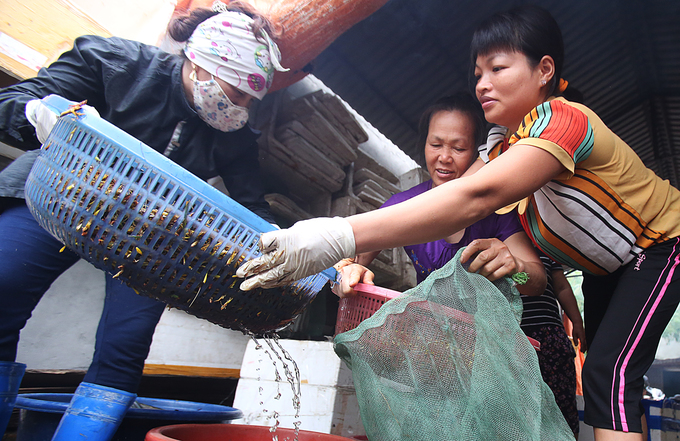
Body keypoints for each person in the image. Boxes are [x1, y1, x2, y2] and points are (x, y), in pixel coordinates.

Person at [237, 5, 680, 440]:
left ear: (544, 69)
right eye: (478, 73)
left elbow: (475, 197)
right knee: (614, 380)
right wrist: (349, 252)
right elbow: (446, 200)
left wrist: (336, 234)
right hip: (612, 267)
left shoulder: (564, 120)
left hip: (661, 242)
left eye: (497, 68)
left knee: (610, 372)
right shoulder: (503, 146)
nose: (482, 84)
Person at [0, 1, 286, 438]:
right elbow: (13, 100)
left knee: (125, 345)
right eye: (237, 90)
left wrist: (286, 247)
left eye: (252, 98)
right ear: (200, 63)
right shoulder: (112, 63)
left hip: (148, 240)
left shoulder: (234, 135)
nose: (242, 106)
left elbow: (253, 209)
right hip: (57, 197)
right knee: (3, 290)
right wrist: (40, 115)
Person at [333, 92, 546, 299]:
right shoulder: (404, 204)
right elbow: (351, 256)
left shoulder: (497, 210)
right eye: (435, 145)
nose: (444, 157)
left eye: (459, 148)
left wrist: (516, 266)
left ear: (477, 152)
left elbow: (537, 281)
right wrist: (347, 272)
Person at [521, 252, 586, 438]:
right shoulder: (494, 244)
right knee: (521, 407)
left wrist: (577, 322)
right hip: (512, 338)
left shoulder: (544, 248)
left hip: (550, 338)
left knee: (562, 405)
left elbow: (562, 286)